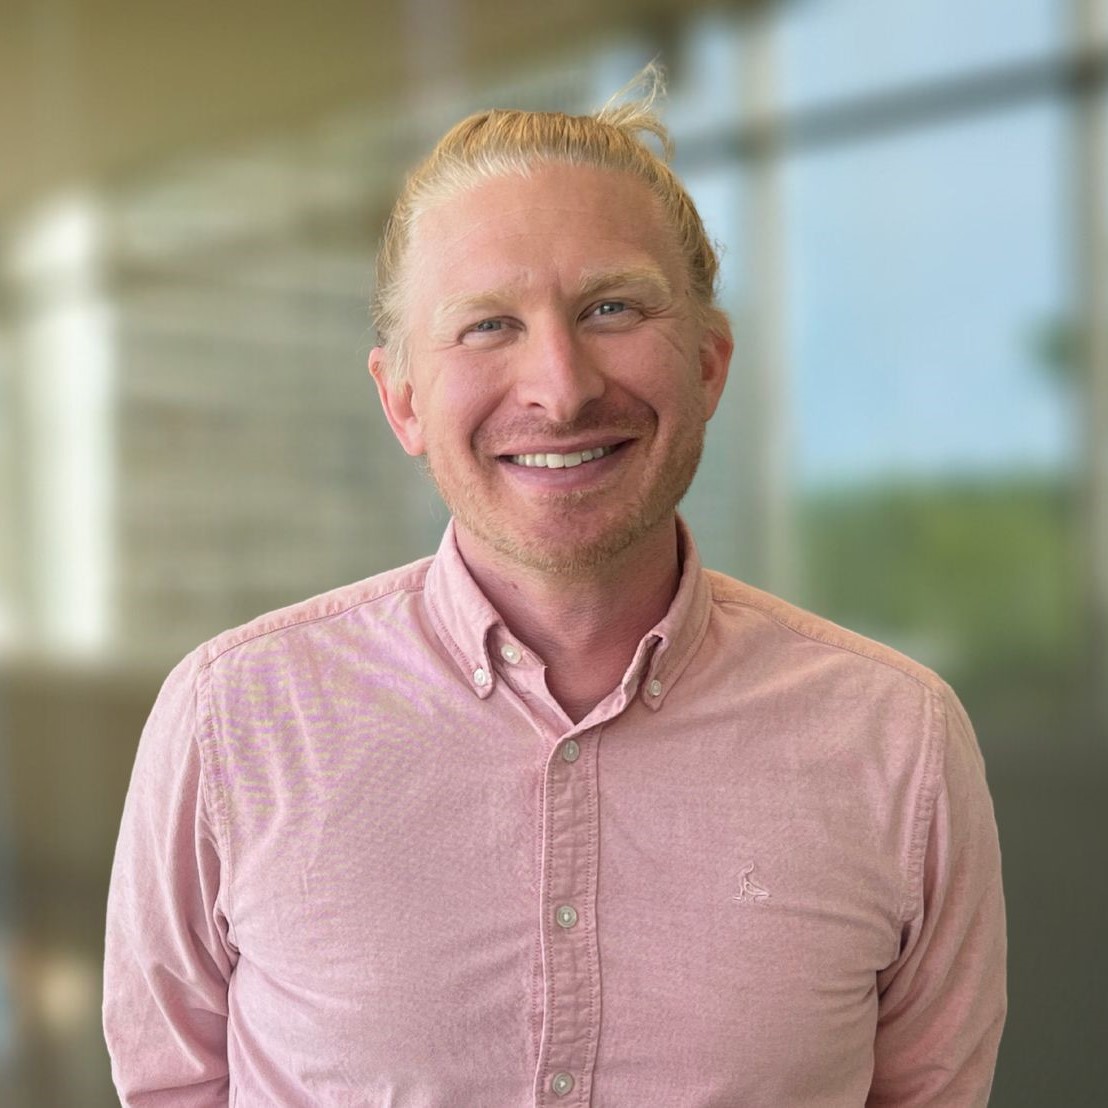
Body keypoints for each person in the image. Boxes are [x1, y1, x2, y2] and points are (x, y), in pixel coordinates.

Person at [103, 69, 1006, 1106]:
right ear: (400, 399)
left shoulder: (900, 744)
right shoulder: (232, 723)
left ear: (709, 366)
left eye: (611, 307)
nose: (563, 387)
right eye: (487, 324)